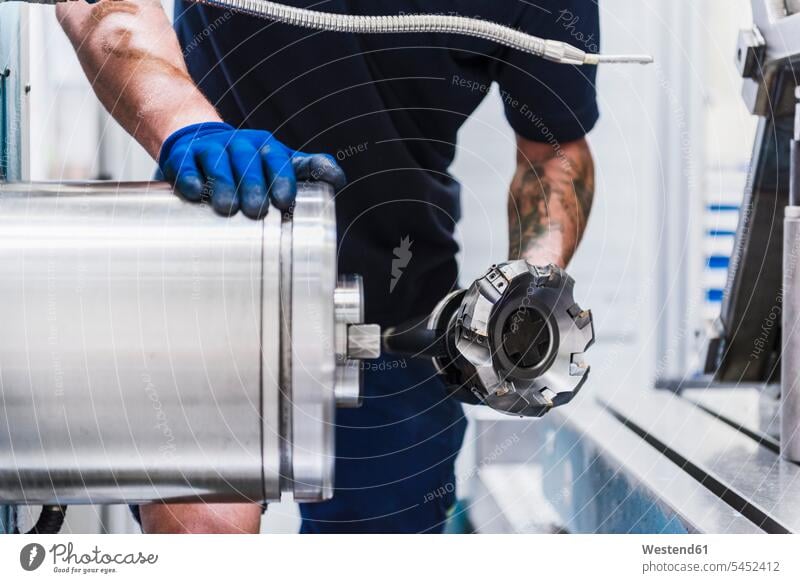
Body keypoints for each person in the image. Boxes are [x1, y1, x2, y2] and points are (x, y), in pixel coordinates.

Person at [57, 0, 598, 534]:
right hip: (212, 280)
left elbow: (555, 152)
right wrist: (184, 123)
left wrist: (530, 289)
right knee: (203, 537)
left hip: (397, 316)